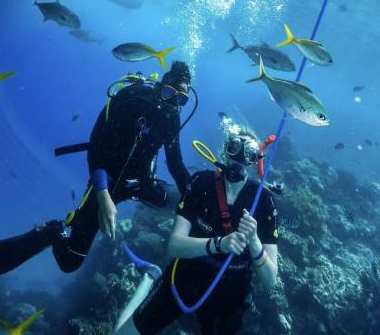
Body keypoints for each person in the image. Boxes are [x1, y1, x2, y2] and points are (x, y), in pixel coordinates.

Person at [0, 61, 193, 283]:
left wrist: (193, 199)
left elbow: (176, 164)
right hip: (105, 181)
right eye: (168, 93)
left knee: (185, 200)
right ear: (160, 85)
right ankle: (53, 231)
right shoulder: (130, 99)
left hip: (138, 182)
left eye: (179, 99)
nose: (171, 102)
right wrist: (103, 196)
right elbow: (96, 148)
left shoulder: (172, 119)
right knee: (70, 262)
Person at [115, 126, 279, 335]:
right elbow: (174, 246)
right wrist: (219, 243)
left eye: (248, 152)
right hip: (184, 278)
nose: (238, 157)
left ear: (256, 160)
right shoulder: (201, 183)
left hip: (229, 296)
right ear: (225, 150)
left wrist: (254, 242)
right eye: (234, 147)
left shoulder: (263, 201)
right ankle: (150, 277)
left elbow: (270, 280)